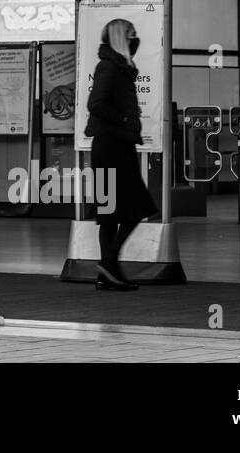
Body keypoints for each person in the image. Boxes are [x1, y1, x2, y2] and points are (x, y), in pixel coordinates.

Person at [86, 19, 158, 291]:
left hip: (112, 145)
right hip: (112, 146)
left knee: (111, 211)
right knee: (137, 207)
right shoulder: (110, 67)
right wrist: (125, 118)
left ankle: (107, 271)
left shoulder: (120, 67)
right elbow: (96, 104)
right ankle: (109, 262)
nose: (136, 39)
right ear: (121, 38)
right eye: (132, 35)